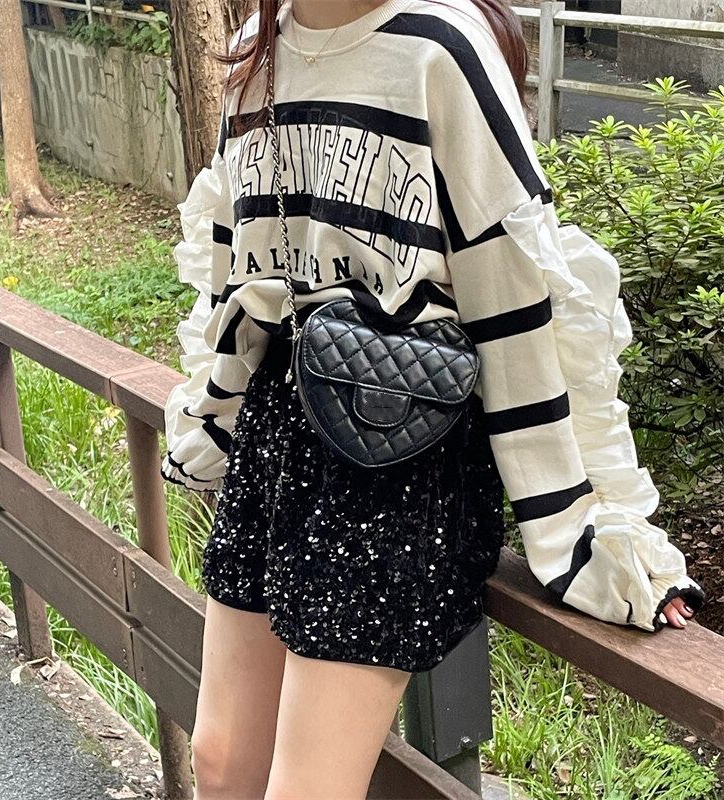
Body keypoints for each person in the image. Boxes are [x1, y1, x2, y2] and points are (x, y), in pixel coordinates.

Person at [160, 1, 707, 797]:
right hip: (278, 427)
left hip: (397, 446)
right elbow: (235, 273)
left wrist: (586, 529)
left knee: (306, 788)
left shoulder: (439, 47)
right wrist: (211, 422)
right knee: (219, 761)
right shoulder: (256, 51)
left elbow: (518, 303)